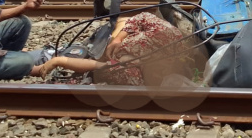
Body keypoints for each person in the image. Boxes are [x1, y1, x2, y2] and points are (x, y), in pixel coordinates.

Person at [39, 12, 184, 85]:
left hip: (111, 61)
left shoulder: (131, 72)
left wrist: (60, 61)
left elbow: (97, 66)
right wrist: (119, 38)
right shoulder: (169, 36)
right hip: (117, 42)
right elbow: (142, 17)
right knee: (122, 20)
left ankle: (40, 64)